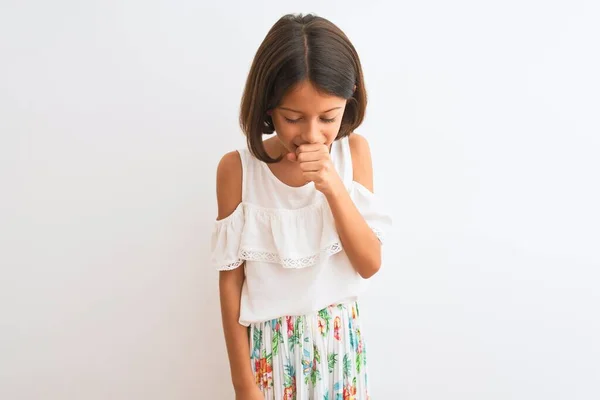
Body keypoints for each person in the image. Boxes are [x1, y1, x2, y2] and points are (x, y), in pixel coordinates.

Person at [211, 13, 392, 400]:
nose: (312, 134)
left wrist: (332, 186)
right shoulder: (237, 170)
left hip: (340, 348)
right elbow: (231, 282)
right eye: (293, 118)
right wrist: (243, 385)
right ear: (268, 106)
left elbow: (370, 262)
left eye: (328, 117)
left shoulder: (354, 153)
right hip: (269, 356)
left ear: (350, 99)